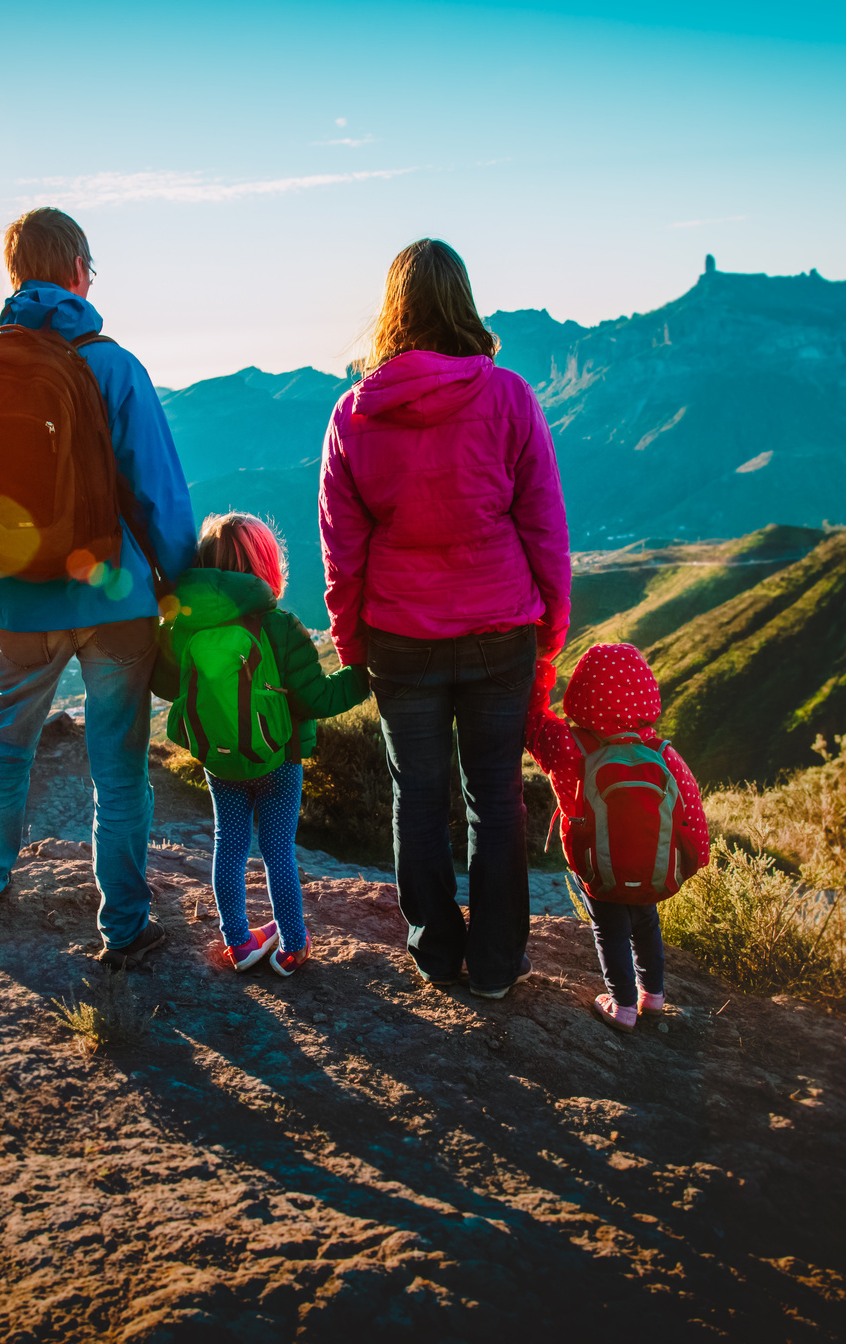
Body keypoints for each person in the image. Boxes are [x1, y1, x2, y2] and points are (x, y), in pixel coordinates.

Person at [0, 207, 197, 968]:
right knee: (118, 769)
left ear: (15, 276)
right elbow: (160, 496)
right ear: (78, 268)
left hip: (16, 601)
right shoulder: (112, 366)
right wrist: (178, 590)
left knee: (4, 744)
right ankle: (125, 926)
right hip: (116, 604)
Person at [318, 239, 571, 998]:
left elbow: (342, 550)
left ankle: (434, 951)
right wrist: (548, 636)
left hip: (401, 639)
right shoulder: (510, 398)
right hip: (501, 632)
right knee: (495, 798)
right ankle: (496, 966)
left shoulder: (354, 415)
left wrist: (353, 644)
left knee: (417, 795)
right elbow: (545, 533)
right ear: (463, 301)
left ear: (393, 310)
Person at [150, 513, 370, 976]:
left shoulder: (184, 627)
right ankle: (292, 945)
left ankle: (240, 944)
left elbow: (167, 687)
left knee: (228, 846)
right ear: (267, 564)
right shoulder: (281, 626)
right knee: (277, 851)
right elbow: (317, 698)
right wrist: (365, 674)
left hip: (218, 762)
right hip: (279, 760)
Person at [524, 642, 709, 1029]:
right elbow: (692, 810)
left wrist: (541, 666)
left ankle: (622, 1005)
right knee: (645, 924)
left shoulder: (566, 745)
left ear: (581, 694)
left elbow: (532, 721)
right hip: (651, 868)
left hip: (598, 868)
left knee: (609, 930)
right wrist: (694, 859)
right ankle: (653, 996)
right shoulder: (661, 752)